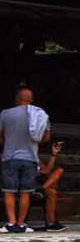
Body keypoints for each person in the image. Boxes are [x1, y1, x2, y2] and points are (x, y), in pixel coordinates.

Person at [0, 86, 50, 233]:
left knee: (9, 191)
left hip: (10, 157)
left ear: (17, 99)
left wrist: (7, 142)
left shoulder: (5, 114)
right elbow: (45, 138)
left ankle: (11, 222)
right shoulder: (40, 114)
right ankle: (21, 224)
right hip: (31, 158)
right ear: (31, 100)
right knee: (25, 192)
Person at [35, 140, 64, 231]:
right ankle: (42, 189)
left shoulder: (36, 159)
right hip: (29, 185)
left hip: (40, 185)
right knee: (51, 189)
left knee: (52, 191)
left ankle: (51, 224)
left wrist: (54, 154)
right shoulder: (22, 159)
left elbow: (47, 171)